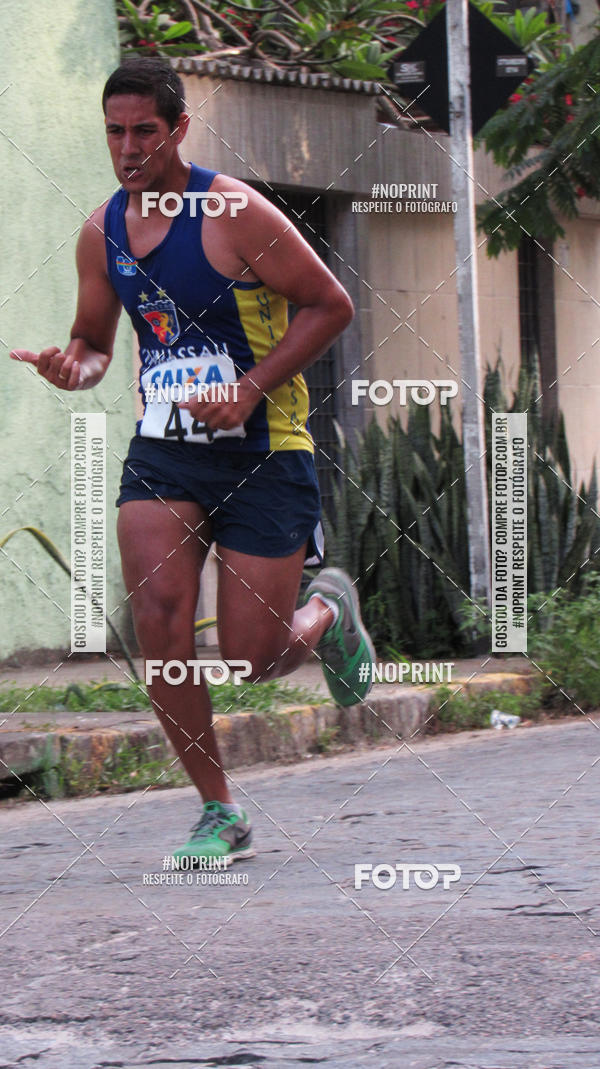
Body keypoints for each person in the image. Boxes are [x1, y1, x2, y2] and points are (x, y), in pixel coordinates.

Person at [11, 58, 374, 863]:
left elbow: (331, 305)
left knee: (253, 656)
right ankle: (219, 810)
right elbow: (96, 343)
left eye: (145, 130)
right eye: (115, 131)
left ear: (177, 129)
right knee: (162, 624)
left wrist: (248, 388)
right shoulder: (102, 231)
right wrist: (73, 365)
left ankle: (327, 613)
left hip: (262, 447)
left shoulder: (235, 211)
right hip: (165, 452)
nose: (129, 146)